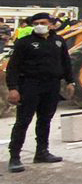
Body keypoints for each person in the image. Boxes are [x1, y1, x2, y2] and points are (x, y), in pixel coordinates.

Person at [7, 12, 75, 172]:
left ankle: (42, 152)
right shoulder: (24, 43)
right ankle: (15, 157)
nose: (39, 25)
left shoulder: (58, 41)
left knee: (45, 120)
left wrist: (70, 81)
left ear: (51, 24)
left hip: (51, 85)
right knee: (23, 121)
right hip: (30, 85)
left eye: (43, 22)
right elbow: (13, 67)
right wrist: (13, 88)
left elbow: (65, 62)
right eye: (36, 23)